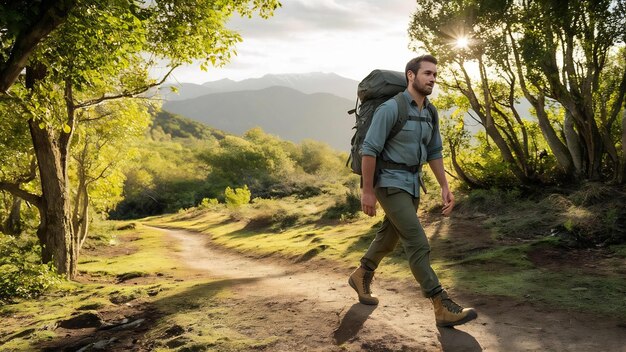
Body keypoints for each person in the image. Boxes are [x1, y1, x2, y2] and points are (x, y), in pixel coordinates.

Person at [348, 55, 477, 327]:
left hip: (412, 184)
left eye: (435, 74)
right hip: (388, 183)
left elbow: (434, 151)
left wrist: (444, 186)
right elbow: (368, 150)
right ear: (410, 76)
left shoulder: (430, 111)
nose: (432, 78)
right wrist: (367, 191)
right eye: (427, 73)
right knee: (417, 242)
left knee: (389, 236)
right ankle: (440, 303)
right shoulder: (390, 109)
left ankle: (361, 274)